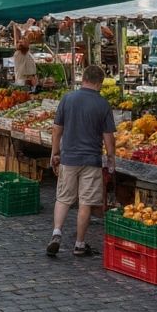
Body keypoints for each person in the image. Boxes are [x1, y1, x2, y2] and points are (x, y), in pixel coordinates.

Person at [46, 64, 115, 258]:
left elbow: (57, 129)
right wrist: (111, 159)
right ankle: (79, 244)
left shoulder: (68, 99)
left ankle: (56, 233)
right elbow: (108, 137)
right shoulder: (102, 104)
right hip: (91, 160)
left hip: (69, 158)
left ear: (83, 78)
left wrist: (55, 153)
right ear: (100, 83)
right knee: (86, 202)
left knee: (63, 197)